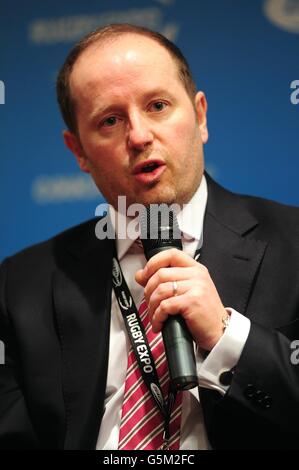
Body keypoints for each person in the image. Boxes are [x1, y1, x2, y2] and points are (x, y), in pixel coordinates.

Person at [0, 23, 298, 450]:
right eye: (110, 120)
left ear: (200, 116)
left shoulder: (293, 243)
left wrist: (226, 336)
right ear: (78, 151)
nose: (139, 136)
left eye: (158, 105)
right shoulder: (21, 285)